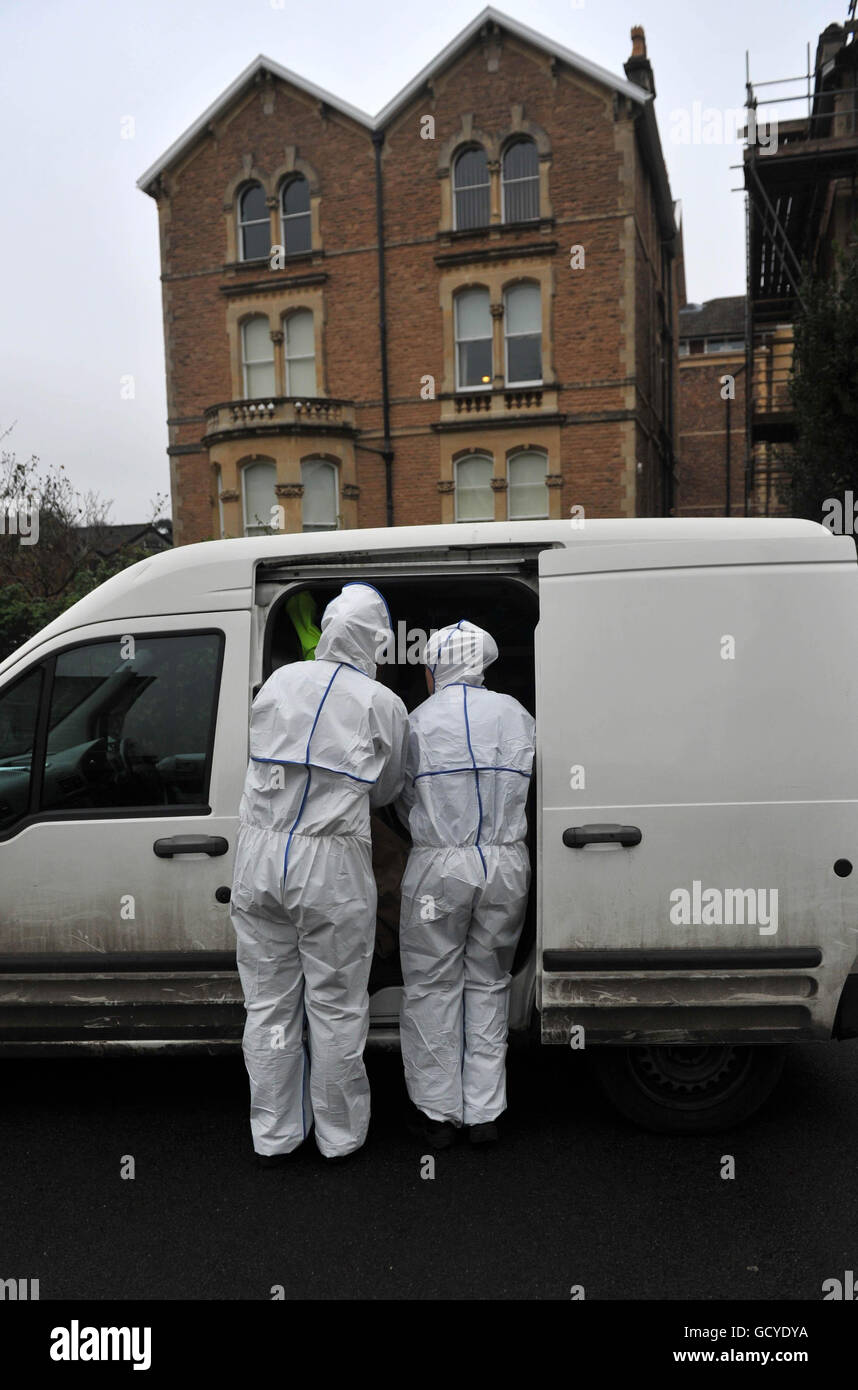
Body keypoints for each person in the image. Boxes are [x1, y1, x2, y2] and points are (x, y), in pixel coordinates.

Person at [230, 583, 409, 1165]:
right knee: (334, 1005)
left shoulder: (279, 682)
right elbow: (386, 789)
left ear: (329, 627)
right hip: (329, 867)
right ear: (375, 642)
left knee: (269, 1005)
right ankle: (340, 1136)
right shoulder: (382, 703)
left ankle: (275, 1134)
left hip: (259, 857)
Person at [396, 620, 535, 1149]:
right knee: (488, 980)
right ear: (482, 665)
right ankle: (484, 1112)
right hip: (505, 866)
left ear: (433, 670)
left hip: (439, 865)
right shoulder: (519, 716)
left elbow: (399, 795)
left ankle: (436, 1115)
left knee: (432, 985)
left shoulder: (415, 722)